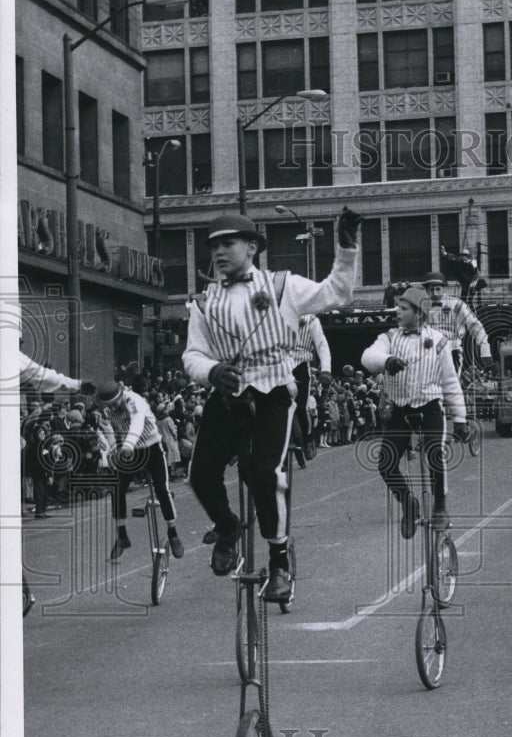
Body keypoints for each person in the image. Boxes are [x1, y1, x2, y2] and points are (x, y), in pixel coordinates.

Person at [182, 208, 361, 596]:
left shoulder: (283, 286)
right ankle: (228, 526)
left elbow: (338, 293)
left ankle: (278, 560)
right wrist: (212, 372)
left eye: (228, 243)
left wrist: (346, 248)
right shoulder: (203, 301)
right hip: (229, 393)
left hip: (273, 391)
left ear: (251, 247)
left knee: (263, 473)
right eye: (213, 246)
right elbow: (192, 355)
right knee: (200, 472)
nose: (219, 252)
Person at [361, 286, 469, 537]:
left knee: (435, 455)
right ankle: (409, 504)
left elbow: (451, 382)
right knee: (386, 464)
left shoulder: (440, 341)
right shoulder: (388, 337)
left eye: (404, 308)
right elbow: (368, 356)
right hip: (400, 408)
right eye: (398, 307)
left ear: (420, 313)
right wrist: (386, 361)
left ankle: (441, 508)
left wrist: (460, 419)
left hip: (430, 406)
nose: (398, 311)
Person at [94, 380, 184, 562]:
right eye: (110, 405)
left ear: (121, 396)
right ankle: (122, 535)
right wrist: (114, 450)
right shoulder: (107, 409)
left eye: (116, 403)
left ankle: (173, 531)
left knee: (162, 489)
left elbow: (137, 423)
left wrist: (127, 444)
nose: (114, 407)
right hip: (131, 453)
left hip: (151, 447)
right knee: (117, 488)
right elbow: (110, 429)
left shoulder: (134, 400)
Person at [420, 270, 493, 378]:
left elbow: (475, 326)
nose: (435, 293)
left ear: (443, 288)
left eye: (438, 289)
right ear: (426, 290)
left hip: (451, 351)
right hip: (428, 354)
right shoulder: (422, 306)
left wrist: (485, 351)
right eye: (431, 290)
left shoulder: (457, 304)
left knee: (451, 386)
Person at [290, 314, 333, 460]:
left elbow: (322, 345)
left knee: (301, 407)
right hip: (279, 365)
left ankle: (308, 439)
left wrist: (326, 369)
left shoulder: (311, 319)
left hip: (300, 366)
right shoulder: (275, 312)